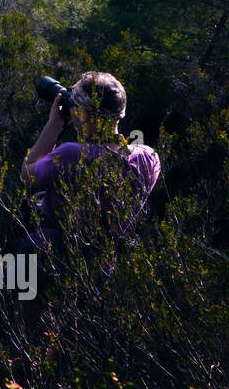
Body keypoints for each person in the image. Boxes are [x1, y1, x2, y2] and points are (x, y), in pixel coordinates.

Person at [18, 71, 160, 256]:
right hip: (100, 263)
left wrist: (54, 125)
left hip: (47, 255)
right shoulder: (148, 158)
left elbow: (27, 175)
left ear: (83, 114)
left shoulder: (70, 154)